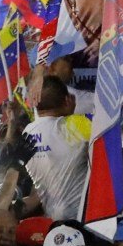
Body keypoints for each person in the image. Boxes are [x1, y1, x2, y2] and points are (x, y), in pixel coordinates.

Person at [23, 79, 92, 219]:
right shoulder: (75, 125)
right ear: (68, 100)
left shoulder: (27, 133)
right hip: (83, 218)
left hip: (52, 222)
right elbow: (115, 126)